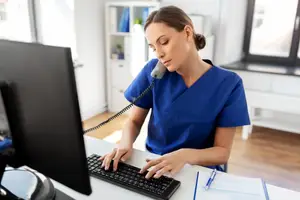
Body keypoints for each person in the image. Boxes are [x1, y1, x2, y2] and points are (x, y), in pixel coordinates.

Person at [100, 5, 250, 179]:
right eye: (153, 47)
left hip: (199, 171)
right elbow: (134, 120)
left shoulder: (229, 84)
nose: (159, 53)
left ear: (187, 33)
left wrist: (184, 156)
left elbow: (222, 152)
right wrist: (124, 144)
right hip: (154, 166)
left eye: (164, 42)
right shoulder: (154, 72)